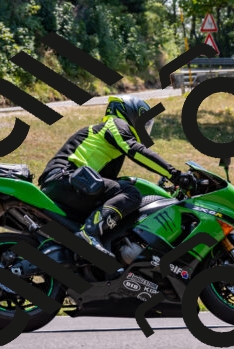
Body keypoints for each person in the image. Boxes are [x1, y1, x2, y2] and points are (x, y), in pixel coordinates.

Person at [38, 95, 182, 256]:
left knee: (123, 192)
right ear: (130, 113)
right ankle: (89, 233)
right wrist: (174, 174)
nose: (145, 128)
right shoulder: (115, 124)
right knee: (130, 193)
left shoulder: (109, 142)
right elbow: (134, 150)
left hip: (71, 182)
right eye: (143, 121)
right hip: (64, 178)